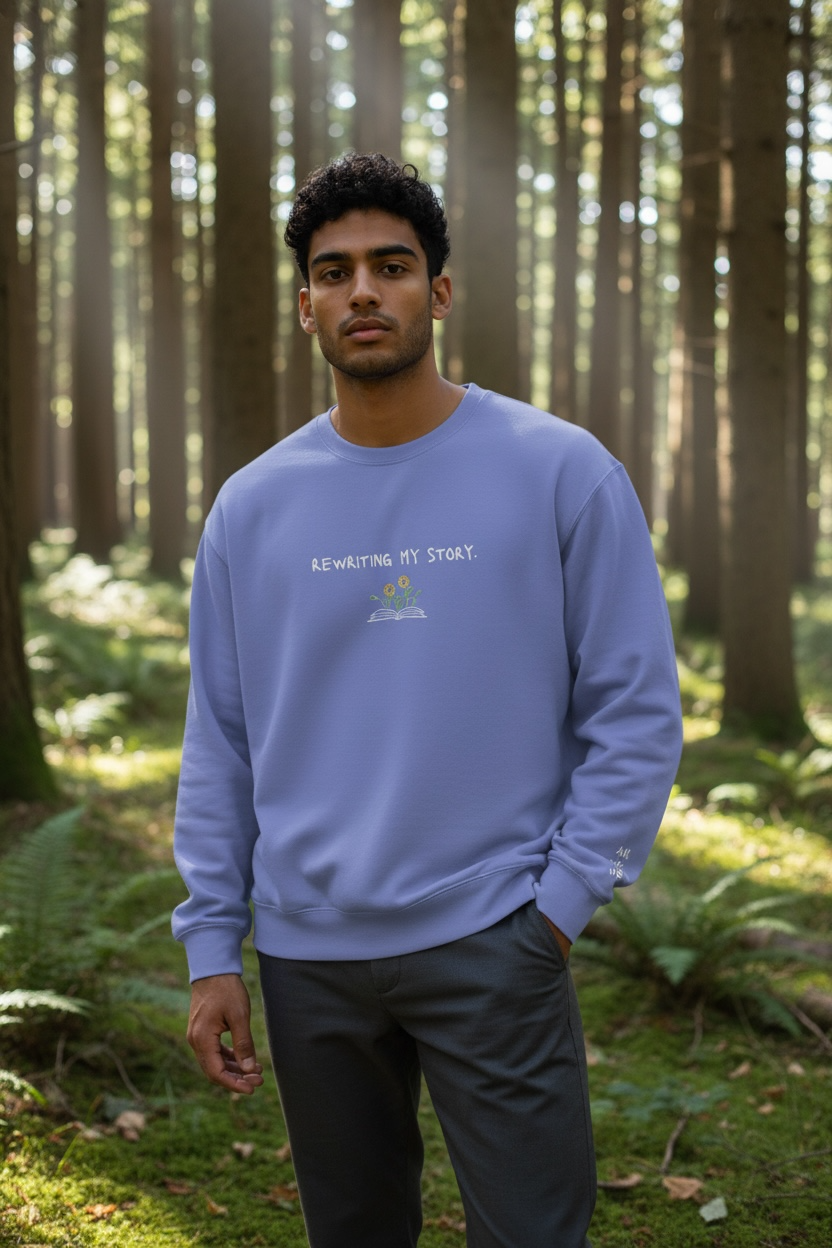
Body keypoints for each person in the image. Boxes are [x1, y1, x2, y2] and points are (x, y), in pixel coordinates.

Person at [172, 152, 683, 1248]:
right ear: (305, 303)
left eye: (392, 266)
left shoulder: (561, 470)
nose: (364, 290)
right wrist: (214, 948)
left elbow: (635, 710)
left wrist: (555, 909)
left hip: (494, 934)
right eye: (335, 270)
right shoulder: (251, 509)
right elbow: (221, 741)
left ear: (437, 292)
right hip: (308, 957)